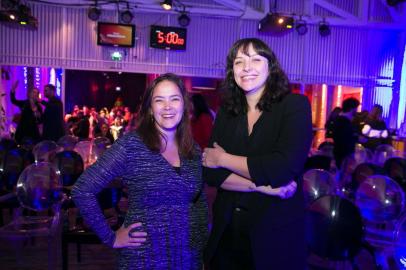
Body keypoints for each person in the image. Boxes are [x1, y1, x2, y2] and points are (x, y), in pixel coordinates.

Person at [72, 73, 208, 270]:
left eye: (174, 99)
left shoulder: (192, 149)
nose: (167, 106)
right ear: (150, 109)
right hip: (145, 258)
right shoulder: (132, 145)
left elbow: (199, 203)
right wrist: (110, 237)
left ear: (184, 106)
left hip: (186, 258)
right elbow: (82, 190)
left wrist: (200, 253)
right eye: (159, 100)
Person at [202, 38, 312, 270]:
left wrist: (223, 159)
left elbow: (282, 169)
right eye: (239, 61)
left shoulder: (294, 106)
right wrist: (261, 186)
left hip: (275, 235)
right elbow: (210, 173)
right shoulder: (227, 112)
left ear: (270, 66)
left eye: (255, 59)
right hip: (227, 232)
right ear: (232, 71)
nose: (247, 68)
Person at [332, 97, 360, 169]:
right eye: (356, 108)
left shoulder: (341, 120)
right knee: (343, 173)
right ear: (351, 108)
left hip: (341, 153)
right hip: (343, 154)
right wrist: (356, 138)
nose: (356, 111)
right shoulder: (343, 121)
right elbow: (344, 139)